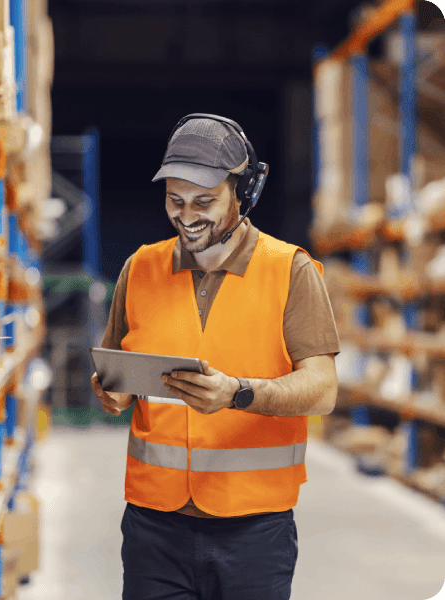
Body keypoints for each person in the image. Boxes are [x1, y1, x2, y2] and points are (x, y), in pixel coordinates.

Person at [91, 114, 341, 600]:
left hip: (254, 530)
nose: (187, 216)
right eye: (175, 201)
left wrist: (239, 393)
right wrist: (112, 393)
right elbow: (116, 377)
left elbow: (323, 388)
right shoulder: (139, 268)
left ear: (243, 193)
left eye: (204, 202)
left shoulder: (290, 270)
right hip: (152, 526)